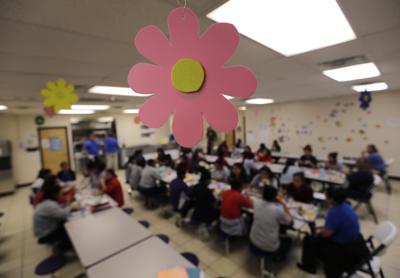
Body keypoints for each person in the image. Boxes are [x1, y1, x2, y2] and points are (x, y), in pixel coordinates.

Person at [297, 188, 368, 277]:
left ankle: (309, 267)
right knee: (315, 237)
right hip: (354, 239)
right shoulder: (347, 206)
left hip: (343, 246)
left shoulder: (335, 212)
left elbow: (327, 234)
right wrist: (321, 228)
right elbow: (335, 226)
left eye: (326, 197)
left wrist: (317, 234)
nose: (325, 198)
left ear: (332, 199)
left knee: (308, 239)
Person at [33, 176, 78, 252]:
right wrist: (70, 207)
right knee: (71, 226)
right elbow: (64, 215)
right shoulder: (49, 205)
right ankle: (64, 247)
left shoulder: (47, 201)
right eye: (60, 193)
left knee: (69, 222)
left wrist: (66, 205)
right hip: (46, 233)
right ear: (54, 194)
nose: (61, 194)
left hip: (45, 228)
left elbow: (58, 209)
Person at [250, 186, 293, 257]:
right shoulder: (277, 210)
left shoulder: (256, 203)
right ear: (275, 197)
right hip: (269, 247)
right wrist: (283, 204)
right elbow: (290, 222)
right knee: (289, 241)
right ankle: (277, 257)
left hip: (253, 240)